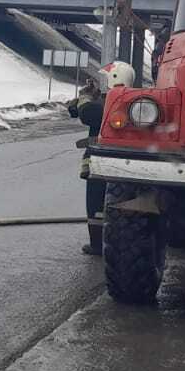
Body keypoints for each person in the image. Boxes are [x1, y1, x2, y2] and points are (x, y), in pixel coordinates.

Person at [68, 60, 135, 256]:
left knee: (97, 205)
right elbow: (77, 110)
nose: (102, 83)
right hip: (117, 164)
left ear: (115, 79)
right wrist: (81, 100)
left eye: (105, 79)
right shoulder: (126, 101)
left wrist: (86, 100)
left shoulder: (114, 103)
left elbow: (87, 112)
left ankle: (97, 245)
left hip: (103, 163)